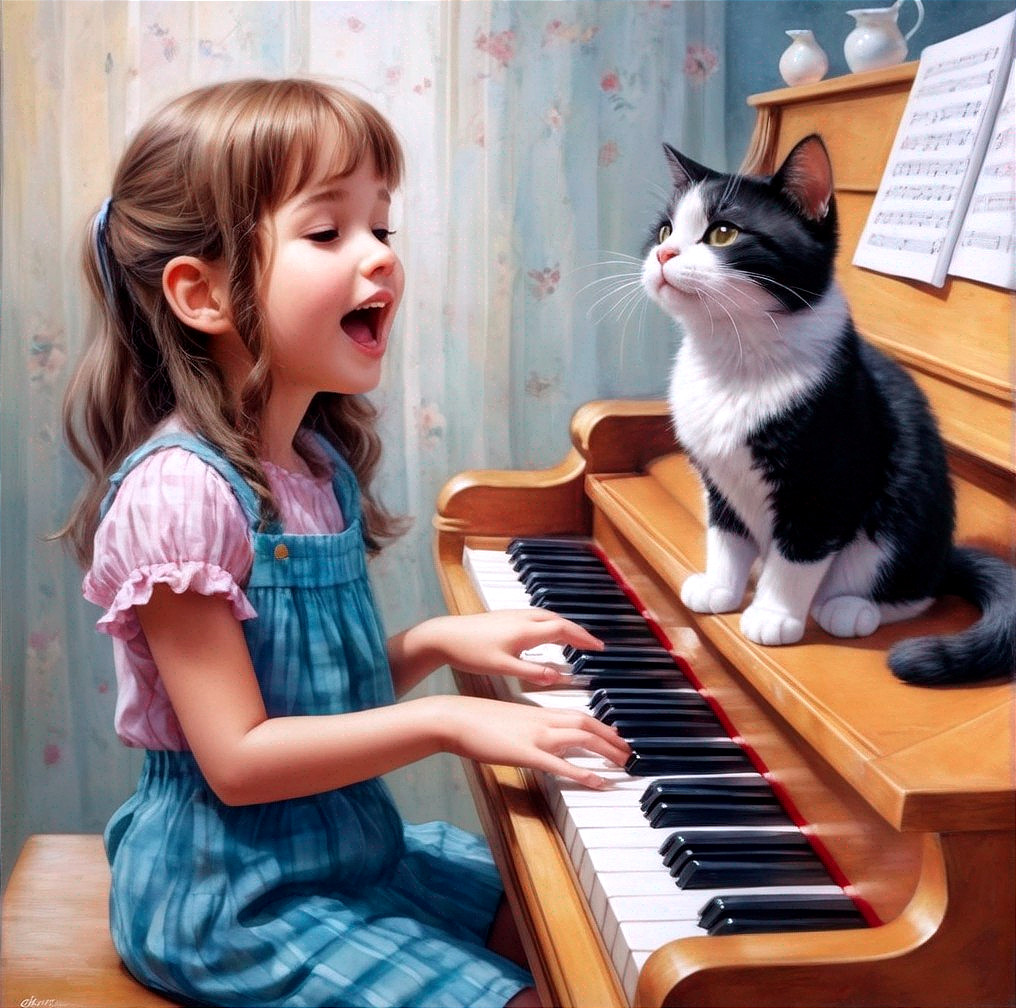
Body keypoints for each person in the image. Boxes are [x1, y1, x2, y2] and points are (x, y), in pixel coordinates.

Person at [61, 77, 630, 1008]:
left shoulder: (313, 462)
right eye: (328, 233)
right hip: (233, 895)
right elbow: (241, 761)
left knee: (564, 931)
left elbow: (305, 694)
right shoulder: (180, 497)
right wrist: (449, 721)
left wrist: (434, 646)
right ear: (201, 293)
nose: (379, 259)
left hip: (343, 852)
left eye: (382, 227)